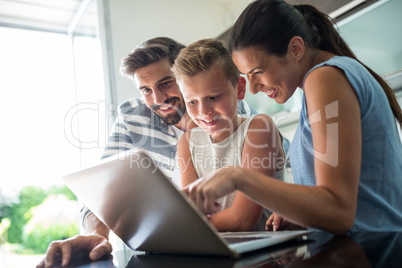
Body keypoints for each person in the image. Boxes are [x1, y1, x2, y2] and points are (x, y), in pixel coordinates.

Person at [183, 0, 402, 235]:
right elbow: (346, 200)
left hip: (371, 252)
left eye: (258, 71)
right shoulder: (328, 78)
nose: (254, 88)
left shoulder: (324, 78)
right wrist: (299, 214)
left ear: (296, 49)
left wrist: (238, 177)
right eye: (248, 75)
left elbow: (339, 211)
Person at [37, 37, 255, 268]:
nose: (158, 99)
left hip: (237, 245)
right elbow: (98, 188)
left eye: (165, 83)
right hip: (175, 250)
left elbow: (275, 174)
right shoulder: (133, 118)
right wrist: (98, 234)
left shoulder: (226, 108)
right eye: (146, 90)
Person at [172, 39, 285, 231]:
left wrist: (192, 227)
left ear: (240, 89)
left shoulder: (259, 128)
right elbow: (191, 213)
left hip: (264, 254)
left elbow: (243, 220)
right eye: (192, 102)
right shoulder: (187, 142)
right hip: (215, 252)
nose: (204, 111)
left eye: (214, 97)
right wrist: (190, 225)